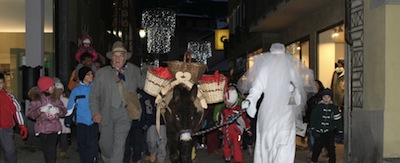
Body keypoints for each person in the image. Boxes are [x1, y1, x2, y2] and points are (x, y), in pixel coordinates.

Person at [241, 43, 314, 163]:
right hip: (268, 112)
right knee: (266, 143)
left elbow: (297, 94)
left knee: (284, 143)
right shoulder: (265, 71)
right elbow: (257, 89)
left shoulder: (290, 71)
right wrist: (251, 100)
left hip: (285, 113)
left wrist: (293, 91)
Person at [89, 41, 146, 163]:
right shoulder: (101, 74)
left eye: (121, 55)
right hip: (106, 112)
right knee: (106, 146)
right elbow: (94, 96)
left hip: (125, 113)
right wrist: (95, 112)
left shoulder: (134, 70)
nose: (118, 58)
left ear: (125, 57)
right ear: (111, 58)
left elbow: (143, 84)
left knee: (119, 145)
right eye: (115, 55)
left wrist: (149, 71)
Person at [27, 76, 67, 163]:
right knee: (46, 149)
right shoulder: (36, 100)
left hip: (54, 128)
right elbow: (30, 114)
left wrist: (58, 111)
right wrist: (40, 111)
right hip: (42, 129)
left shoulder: (56, 98)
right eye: (52, 86)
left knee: (52, 148)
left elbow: (64, 111)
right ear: (45, 88)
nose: (53, 87)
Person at [67, 67, 98, 163]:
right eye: (88, 74)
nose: (91, 76)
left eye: (91, 74)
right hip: (81, 122)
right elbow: (70, 106)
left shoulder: (96, 88)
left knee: (93, 145)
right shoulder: (76, 90)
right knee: (82, 145)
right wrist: (68, 120)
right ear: (83, 76)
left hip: (94, 121)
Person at [0, 73, 28, 163]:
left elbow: (17, 111)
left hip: (5, 128)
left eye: (0, 82)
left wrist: (22, 125)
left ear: (4, 84)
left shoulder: (10, 97)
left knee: (9, 151)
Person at [219, 83, 251, 163]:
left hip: (236, 133)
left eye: (229, 102)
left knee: (237, 147)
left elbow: (245, 120)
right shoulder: (224, 111)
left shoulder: (239, 111)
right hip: (226, 133)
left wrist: (248, 130)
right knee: (226, 146)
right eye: (226, 102)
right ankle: (227, 158)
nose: (227, 104)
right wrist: (219, 129)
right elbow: (221, 120)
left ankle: (238, 160)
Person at [310, 89, 343, 163]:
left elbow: (338, 120)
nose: (326, 99)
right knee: (317, 148)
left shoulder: (334, 108)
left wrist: (340, 131)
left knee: (331, 148)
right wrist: (313, 128)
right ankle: (313, 160)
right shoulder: (318, 108)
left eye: (328, 97)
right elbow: (313, 118)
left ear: (331, 98)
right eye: (324, 97)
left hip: (329, 132)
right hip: (319, 132)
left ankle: (332, 161)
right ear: (322, 98)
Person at [123, 89, 152, 163]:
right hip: (126, 121)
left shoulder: (142, 94)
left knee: (137, 142)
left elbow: (148, 107)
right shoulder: (124, 91)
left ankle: (136, 158)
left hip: (138, 122)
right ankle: (126, 159)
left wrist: (147, 121)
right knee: (126, 143)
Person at [304, 80, 325, 155]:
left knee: (317, 137)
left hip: (318, 121)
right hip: (311, 121)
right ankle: (313, 154)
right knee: (312, 137)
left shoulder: (321, 97)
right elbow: (308, 109)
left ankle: (320, 151)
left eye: (315, 85)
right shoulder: (310, 96)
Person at [54, 81, 71, 159]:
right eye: (57, 89)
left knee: (63, 136)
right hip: (54, 122)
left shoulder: (66, 100)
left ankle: (63, 149)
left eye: (60, 89)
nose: (58, 91)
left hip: (62, 121)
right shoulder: (52, 100)